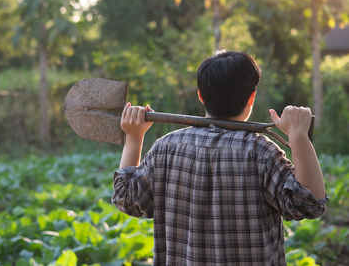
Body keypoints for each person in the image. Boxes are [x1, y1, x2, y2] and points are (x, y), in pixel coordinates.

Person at [112, 50, 328, 266]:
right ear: (252, 97)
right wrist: (299, 136)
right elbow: (309, 204)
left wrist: (133, 137)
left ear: (201, 96)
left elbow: (126, 198)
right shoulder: (261, 152)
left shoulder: (165, 148)